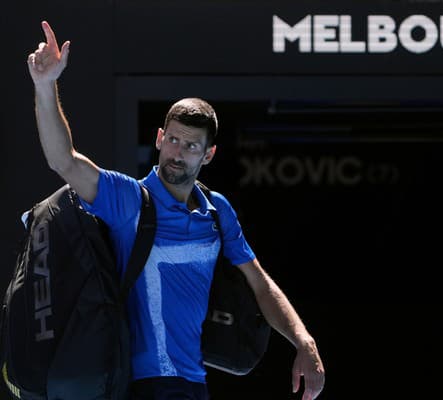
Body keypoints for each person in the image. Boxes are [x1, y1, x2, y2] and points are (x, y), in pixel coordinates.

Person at [27, 20, 325, 400]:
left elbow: (259, 284)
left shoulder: (218, 212)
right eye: (173, 140)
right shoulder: (128, 198)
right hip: (138, 385)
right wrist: (45, 84)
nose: (177, 153)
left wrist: (304, 341)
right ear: (159, 138)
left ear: (209, 154)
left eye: (190, 146)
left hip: (192, 385)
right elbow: (63, 161)